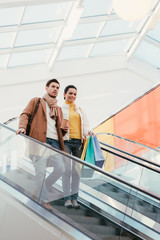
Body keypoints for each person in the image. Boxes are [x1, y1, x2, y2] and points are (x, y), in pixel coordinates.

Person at [16, 79, 67, 211]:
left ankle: (38, 188)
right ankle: (43, 200)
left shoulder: (59, 109)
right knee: (40, 171)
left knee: (61, 169)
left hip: (55, 142)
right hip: (40, 141)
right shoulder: (37, 101)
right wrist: (22, 127)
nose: (55, 89)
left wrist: (64, 129)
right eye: (53, 86)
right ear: (46, 88)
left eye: (57, 87)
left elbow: (59, 128)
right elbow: (25, 114)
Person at [61, 85, 91, 208]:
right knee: (67, 170)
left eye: (74, 94)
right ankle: (67, 198)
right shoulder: (60, 108)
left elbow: (86, 124)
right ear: (64, 94)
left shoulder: (79, 109)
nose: (72, 96)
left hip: (78, 143)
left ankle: (75, 199)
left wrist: (88, 132)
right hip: (66, 142)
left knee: (76, 172)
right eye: (70, 93)